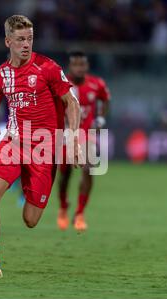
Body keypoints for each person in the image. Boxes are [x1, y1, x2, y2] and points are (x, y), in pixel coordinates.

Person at [0, 15, 82, 279]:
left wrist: (74, 139)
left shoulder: (47, 68)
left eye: (30, 39)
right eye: (21, 39)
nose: (26, 44)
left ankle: (27, 182)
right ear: (7, 41)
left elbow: (72, 103)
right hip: (13, 142)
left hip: (44, 148)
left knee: (30, 220)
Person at [57, 51, 111, 232]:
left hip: (86, 135)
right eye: (76, 65)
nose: (79, 68)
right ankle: (63, 206)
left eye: (82, 65)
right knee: (65, 175)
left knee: (89, 169)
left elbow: (106, 100)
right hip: (65, 136)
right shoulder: (62, 85)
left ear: (87, 66)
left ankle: (80, 213)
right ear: (70, 67)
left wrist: (101, 118)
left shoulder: (97, 84)